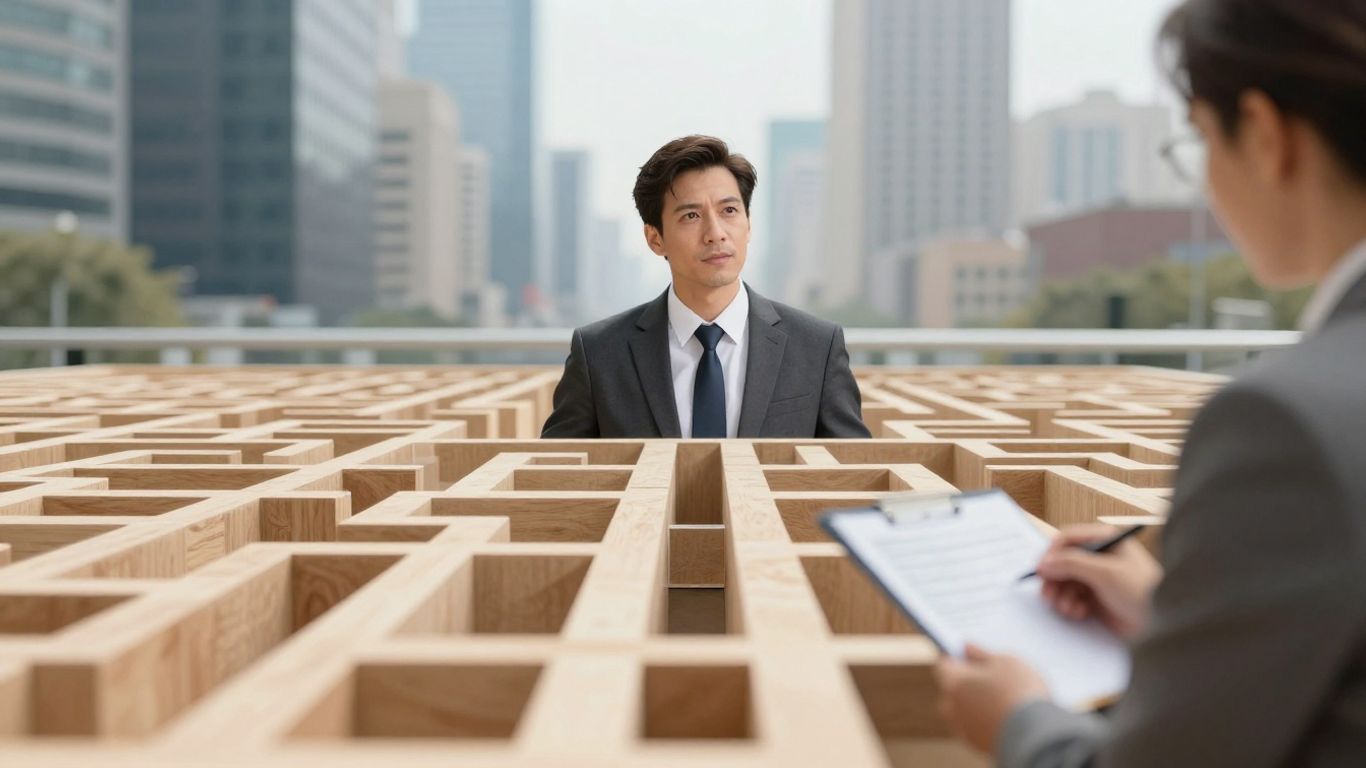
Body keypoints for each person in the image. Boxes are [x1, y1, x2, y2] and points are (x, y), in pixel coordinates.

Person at [935, 1, 1366, 765]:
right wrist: (1184, 618)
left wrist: (1019, 721)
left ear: (1265, 136)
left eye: (1198, 138)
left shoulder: (1284, 422)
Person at [541, 135, 872, 439]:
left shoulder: (816, 346)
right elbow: (558, 478)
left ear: (748, 224)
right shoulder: (599, 352)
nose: (716, 233)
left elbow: (853, 475)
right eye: (691, 216)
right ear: (655, 239)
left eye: (729, 210)